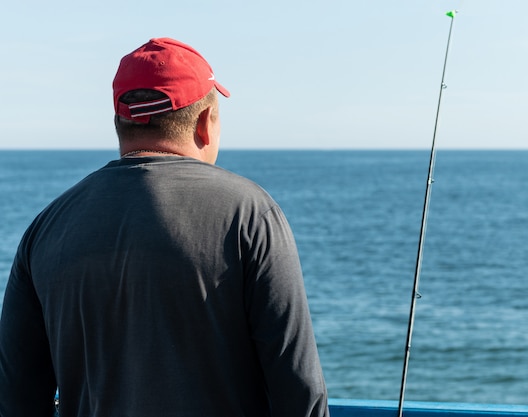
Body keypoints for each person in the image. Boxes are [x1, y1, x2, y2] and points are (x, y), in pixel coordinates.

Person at [0, 38, 329, 417]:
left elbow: (16, 399)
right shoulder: (250, 214)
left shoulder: (46, 228)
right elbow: (300, 391)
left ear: (118, 124)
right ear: (205, 124)